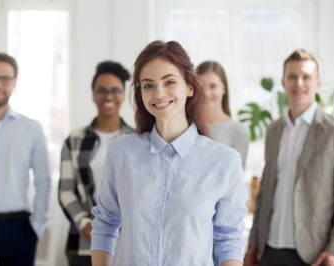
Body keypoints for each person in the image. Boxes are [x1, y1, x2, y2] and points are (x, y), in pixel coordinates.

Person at [90, 40, 248, 266]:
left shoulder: (224, 161)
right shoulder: (121, 152)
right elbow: (105, 223)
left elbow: (229, 238)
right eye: (148, 85)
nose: (159, 93)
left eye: (169, 82)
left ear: (190, 87)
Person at [244, 49, 334, 266]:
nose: (299, 83)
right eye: (292, 76)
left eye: (306, 77)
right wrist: (254, 245)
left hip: (315, 254)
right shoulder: (274, 130)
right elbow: (265, 192)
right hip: (269, 250)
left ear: (318, 82)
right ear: (283, 82)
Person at [0, 53, 51, 266]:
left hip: (18, 229)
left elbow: (43, 181)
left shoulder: (31, 129)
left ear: (14, 83)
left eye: (5, 79)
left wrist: (37, 227)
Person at [58, 61, 133, 266]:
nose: (108, 96)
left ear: (124, 95)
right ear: (93, 95)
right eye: (101, 90)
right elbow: (65, 190)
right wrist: (85, 223)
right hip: (83, 245)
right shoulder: (74, 140)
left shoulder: (138, 140)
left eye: (115, 90)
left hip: (126, 245)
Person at [196, 60, 249, 168]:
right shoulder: (186, 127)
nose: (206, 93)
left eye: (212, 86)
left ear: (223, 88)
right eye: (201, 87)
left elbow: (236, 179)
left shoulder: (239, 131)